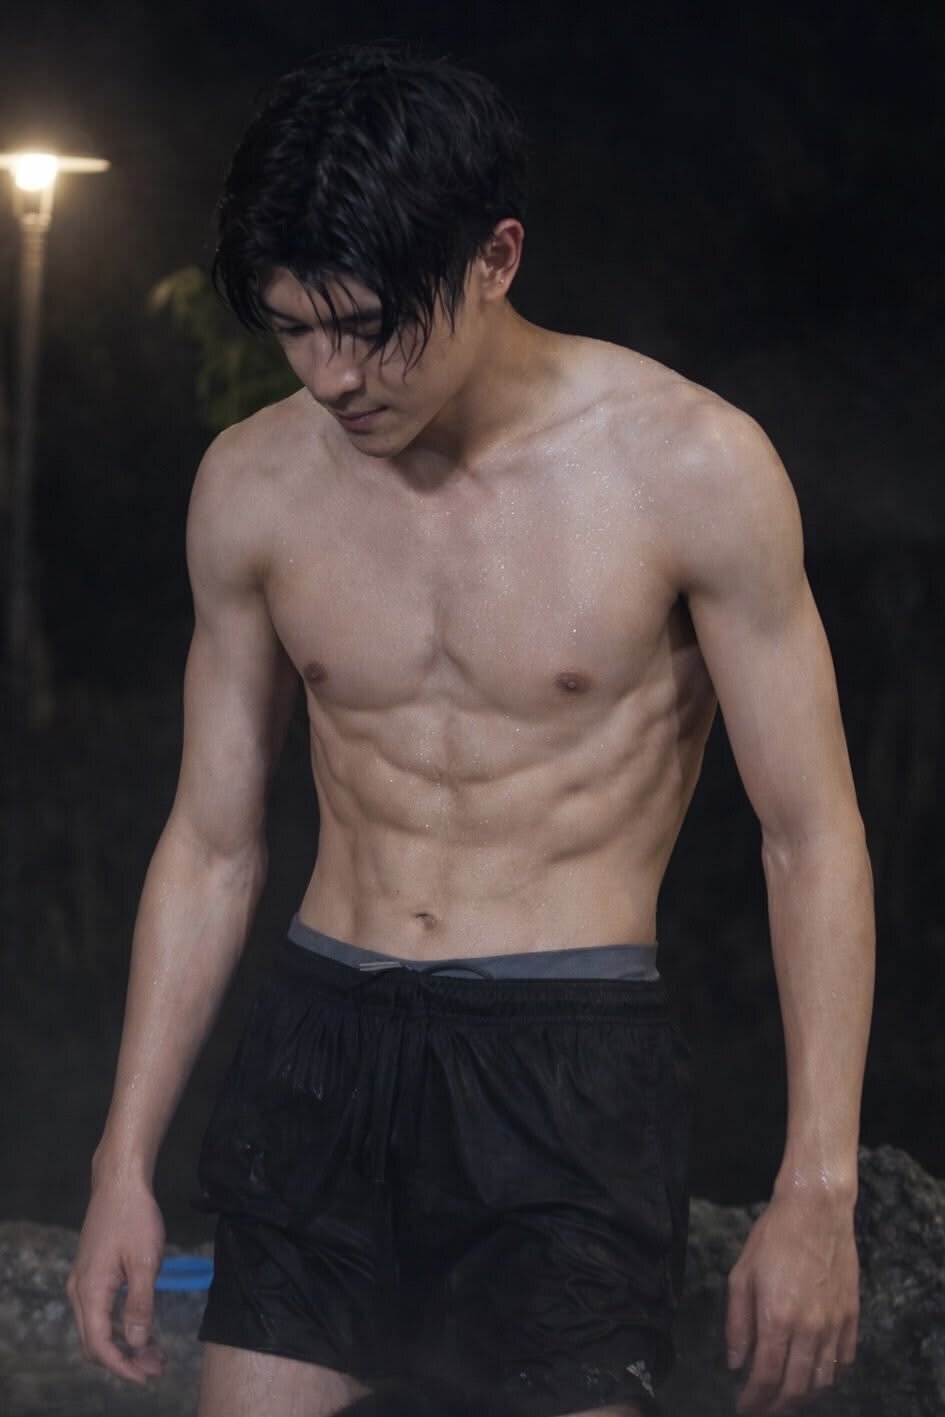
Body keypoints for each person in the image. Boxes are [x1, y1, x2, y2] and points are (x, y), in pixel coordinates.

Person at [67, 44, 874, 1417]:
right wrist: (119, 1164)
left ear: (495, 257)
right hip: (323, 1043)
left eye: (367, 325)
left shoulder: (691, 467)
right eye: (294, 329)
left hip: (563, 1065)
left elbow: (810, 838)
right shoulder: (252, 484)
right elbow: (209, 845)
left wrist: (819, 1185)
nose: (332, 375)